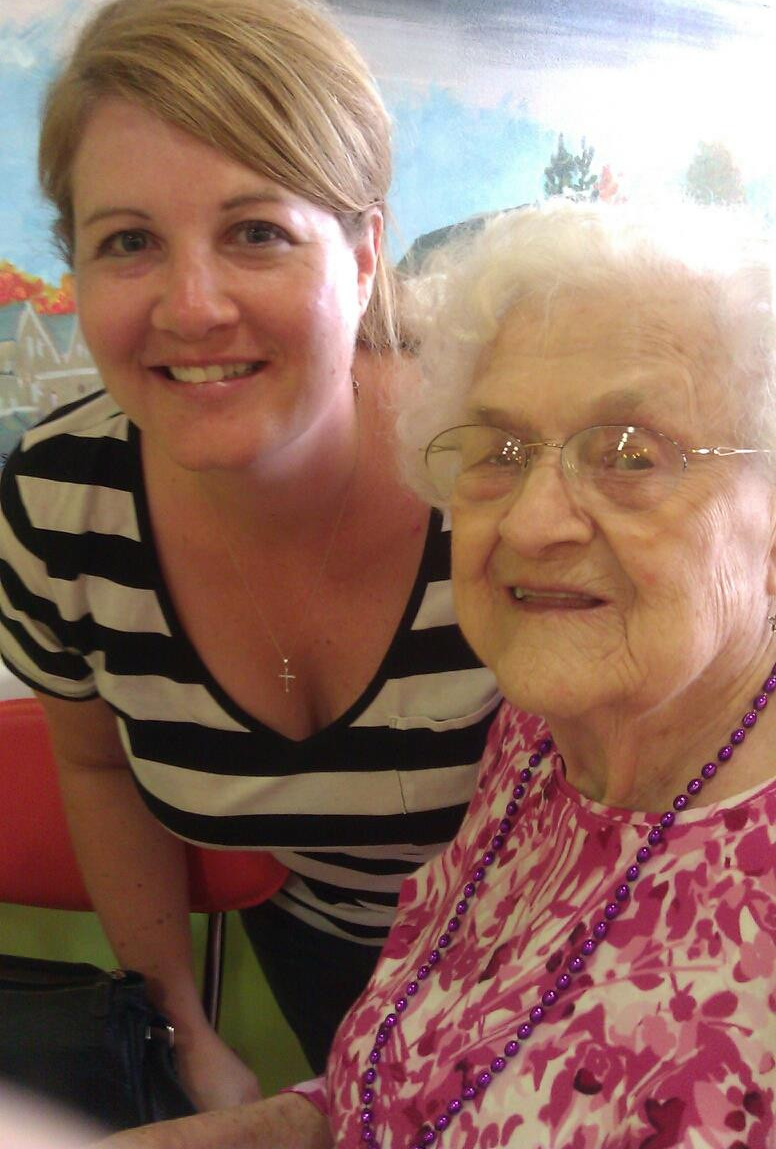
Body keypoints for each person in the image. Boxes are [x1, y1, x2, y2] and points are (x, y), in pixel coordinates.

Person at [98, 200, 775, 1147]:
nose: (533, 523)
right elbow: (429, 1081)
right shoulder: (542, 732)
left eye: (631, 455)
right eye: (501, 451)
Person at [0, 0, 499, 1105]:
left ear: (362, 256)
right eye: (129, 241)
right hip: (318, 956)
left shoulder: (496, 464)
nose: (191, 307)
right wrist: (181, 1025)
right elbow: (96, 766)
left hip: (558, 960)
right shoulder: (61, 503)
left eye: (257, 232)